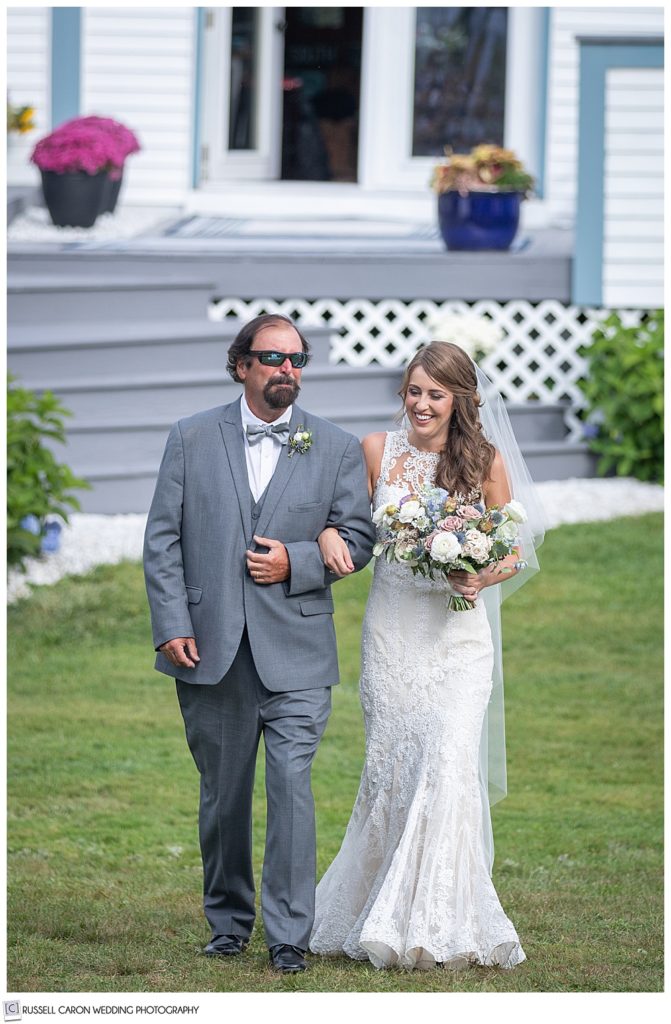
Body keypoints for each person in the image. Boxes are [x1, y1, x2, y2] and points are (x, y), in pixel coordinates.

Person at [143, 313, 375, 974]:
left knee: (291, 787)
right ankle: (227, 921)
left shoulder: (331, 447)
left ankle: (288, 935)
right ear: (241, 363)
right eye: (274, 358)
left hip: (297, 652)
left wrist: (297, 563)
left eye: (298, 360)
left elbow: (356, 542)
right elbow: (162, 540)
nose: (287, 371)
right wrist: (171, 625)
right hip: (209, 650)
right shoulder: (190, 438)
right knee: (222, 794)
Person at [309, 341, 544, 971]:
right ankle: (378, 911)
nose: (421, 404)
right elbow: (351, 526)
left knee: (446, 763)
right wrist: (330, 532)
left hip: (458, 642)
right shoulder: (377, 452)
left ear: (459, 401)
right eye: (413, 391)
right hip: (392, 635)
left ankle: (442, 921)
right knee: (390, 773)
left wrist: (479, 577)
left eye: (435, 394)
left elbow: (512, 550)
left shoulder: (486, 462)